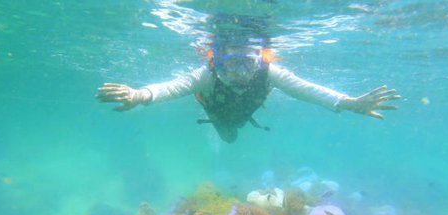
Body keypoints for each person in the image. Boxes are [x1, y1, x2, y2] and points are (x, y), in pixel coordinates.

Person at [97, 35, 400, 143]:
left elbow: (305, 89)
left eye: (248, 63)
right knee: (227, 135)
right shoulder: (205, 75)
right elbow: (174, 87)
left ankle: (228, 130)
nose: (241, 72)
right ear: (219, 62)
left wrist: (347, 102)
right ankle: (219, 132)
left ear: (259, 60)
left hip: (242, 114)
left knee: (235, 130)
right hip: (216, 112)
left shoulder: (270, 72)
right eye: (233, 64)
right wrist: (140, 95)